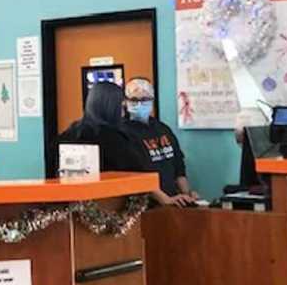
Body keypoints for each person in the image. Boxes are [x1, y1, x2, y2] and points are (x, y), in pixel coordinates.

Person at [121, 77, 199, 206]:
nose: (140, 104)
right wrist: (164, 199)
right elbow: (135, 175)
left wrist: (187, 193)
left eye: (145, 99)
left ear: (152, 100)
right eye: (134, 100)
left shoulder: (162, 129)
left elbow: (179, 166)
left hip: (173, 201)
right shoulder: (123, 132)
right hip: (145, 205)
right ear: (125, 101)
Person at [57, 81, 149, 172]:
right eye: (120, 107)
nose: (124, 113)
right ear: (111, 108)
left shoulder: (70, 133)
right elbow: (138, 172)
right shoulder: (115, 140)